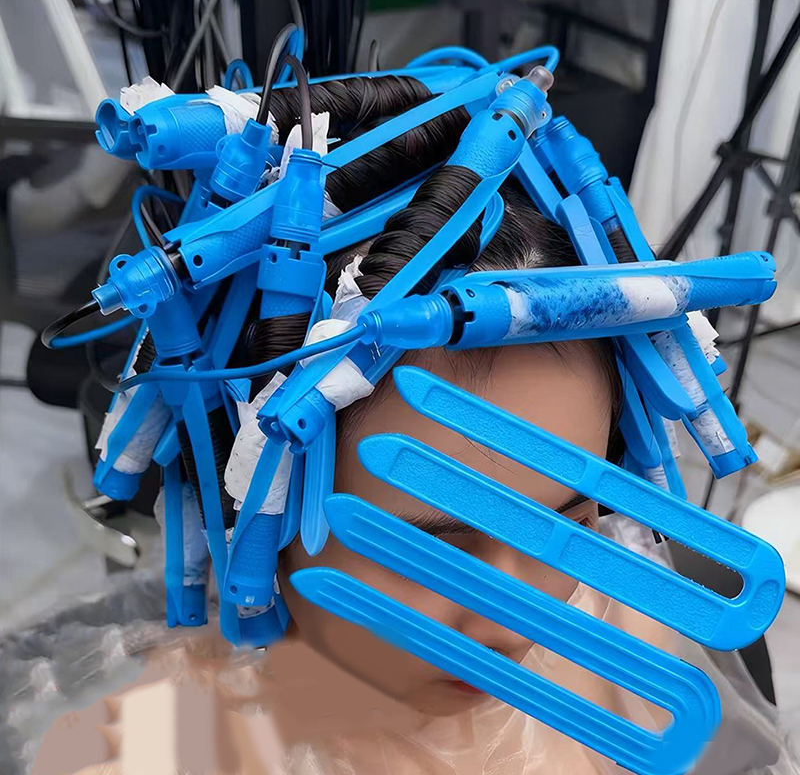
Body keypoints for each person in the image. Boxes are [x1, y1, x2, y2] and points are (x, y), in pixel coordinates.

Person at [31, 74, 799, 775]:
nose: (516, 619)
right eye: (434, 548)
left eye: (567, 523)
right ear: (250, 493)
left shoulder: (638, 663)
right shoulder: (148, 753)